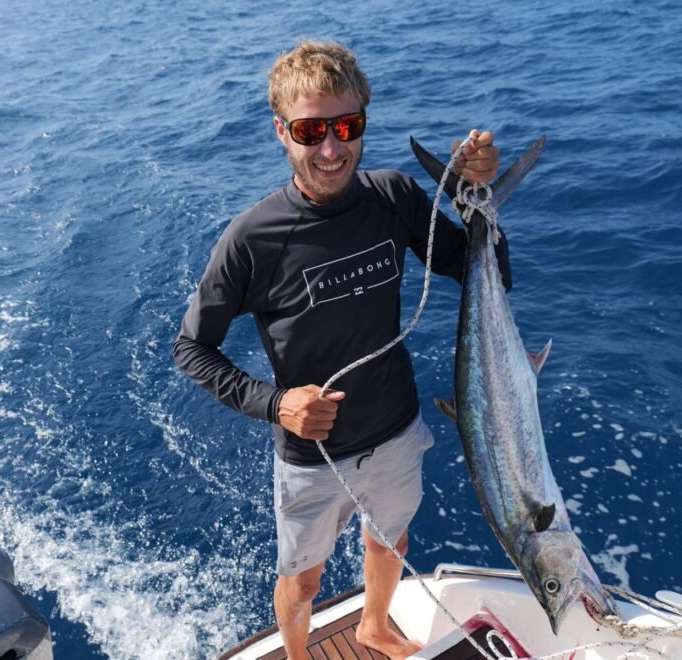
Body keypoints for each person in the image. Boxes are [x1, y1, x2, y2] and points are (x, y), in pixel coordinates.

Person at [174, 40, 509, 659]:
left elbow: (486, 273)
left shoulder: (395, 197)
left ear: (362, 123)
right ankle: (298, 656)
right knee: (303, 579)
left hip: (397, 429)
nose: (331, 148)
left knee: (392, 541)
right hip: (312, 458)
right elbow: (192, 348)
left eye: (346, 126)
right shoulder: (250, 240)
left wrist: (472, 195)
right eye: (310, 130)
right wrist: (276, 405)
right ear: (282, 131)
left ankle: (374, 627)